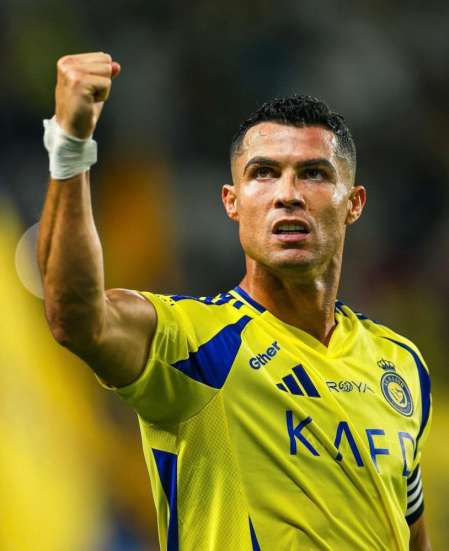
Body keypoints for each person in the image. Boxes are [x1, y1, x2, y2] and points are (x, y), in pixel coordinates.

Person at [38, 52, 432, 551]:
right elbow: (75, 316)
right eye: (264, 173)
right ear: (232, 202)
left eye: (313, 174)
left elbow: (412, 536)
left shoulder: (400, 363)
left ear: (353, 203)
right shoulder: (194, 343)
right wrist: (71, 145)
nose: (287, 194)